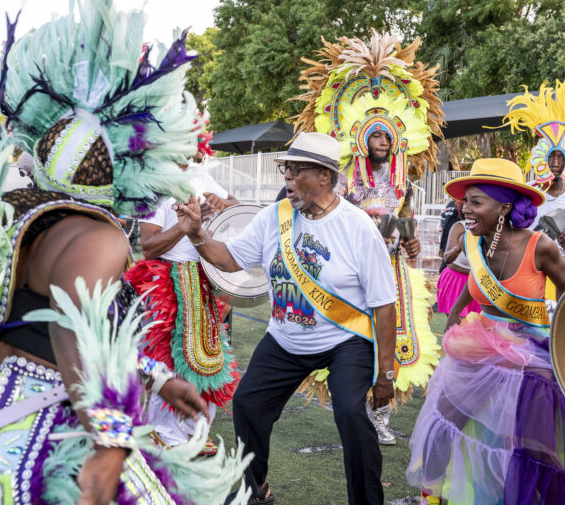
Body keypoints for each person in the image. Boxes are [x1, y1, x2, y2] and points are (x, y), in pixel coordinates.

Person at [0, 0, 248, 504]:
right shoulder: (101, 235)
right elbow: (70, 322)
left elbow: (46, 324)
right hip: (48, 441)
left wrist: (157, 378)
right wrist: (109, 440)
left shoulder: (20, 224)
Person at [405, 158, 565, 505]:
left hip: (529, 352)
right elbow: (473, 285)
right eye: (465, 201)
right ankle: (433, 498)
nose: (465, 209)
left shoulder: (540, 245)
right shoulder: (477, 241)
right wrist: (454, 314)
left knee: (537, 451)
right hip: (479, 345)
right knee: (441, 426)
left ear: (505, 207)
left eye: (475, 202)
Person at [182, 132, 398, 505]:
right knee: (248, 403)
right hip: (285, 339)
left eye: (297, 171)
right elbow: (230, 260)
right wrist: (198, 236)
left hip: (344, 341)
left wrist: (385, 375)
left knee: (350, 411)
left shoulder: (358, 226)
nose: (288, 178)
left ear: (325, 177)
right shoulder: (273, 217)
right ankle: (255, 489)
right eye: (286, 170)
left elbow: (384, 304)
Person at [290, 31, 443, 445]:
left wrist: (411, 243)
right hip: (351, 272)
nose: (383, 142)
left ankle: (380, 419)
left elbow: (406, 225)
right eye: (376, 135)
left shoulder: (402, 184)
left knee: (392, 346)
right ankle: (355, 413)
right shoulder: (342, 184)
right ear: (361, 138)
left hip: (391, 272)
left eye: (388, 136)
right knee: (354, 343)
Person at [127, 135, 240, 454]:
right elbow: (148, 247)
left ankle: (194, 432)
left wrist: (223, 206)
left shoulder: (200, 175)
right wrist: (186, 226)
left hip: (204, 277)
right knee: (169, 360)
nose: (191, 142)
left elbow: (235, 209)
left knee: (206, 356)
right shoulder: (152, 183)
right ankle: (165, 434)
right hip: (168, 280)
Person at [501, 79, 565, 298]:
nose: (555, 162)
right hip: (527, 272)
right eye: (551, 155)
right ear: (541, 156)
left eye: (560, 157)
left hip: (564, 274)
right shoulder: (526, 193)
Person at [436, 217, 481, 316]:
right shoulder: (459, 226)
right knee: (458, 326)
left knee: (480, 325)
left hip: (481, 283)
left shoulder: (495, 230)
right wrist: (459, 246)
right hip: (457, 281)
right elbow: (448, 260)